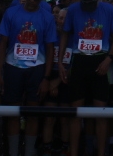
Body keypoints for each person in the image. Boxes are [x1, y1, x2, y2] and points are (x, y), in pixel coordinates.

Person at [0, 0, 57, 156]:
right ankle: (13, 152)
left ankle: (29, 152)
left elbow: (50, 48)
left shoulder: (47, 17)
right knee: (13, 112)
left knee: (33, 112)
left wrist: (46, 78)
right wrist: (0, 72)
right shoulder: (11, 13)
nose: (32, 1)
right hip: (12, 67)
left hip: (36, 68)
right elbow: (3, 43)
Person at [58, 0, 113, 156]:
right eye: (85, 4)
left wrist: (109, 59)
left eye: (91, 4)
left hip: (100, 60)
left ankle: (101, 153)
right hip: (80, 60)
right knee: (75, 112)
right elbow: (65, 34)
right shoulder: (73, 9)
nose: (88, 8)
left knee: (100, 112)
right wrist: (61, 62)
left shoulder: (108, 10)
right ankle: (74, 152)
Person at [42, 8, 72, 156]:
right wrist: (49, 81)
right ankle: (47, 148)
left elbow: (75, 64)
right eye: (60, 18)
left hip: (66, 79)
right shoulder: (50, 35)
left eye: (65, 19)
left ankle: (65, 148)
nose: (62, 21)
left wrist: (57, 82)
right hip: (50, 77)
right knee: (50, 118)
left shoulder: (74, 37)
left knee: (65, 118)